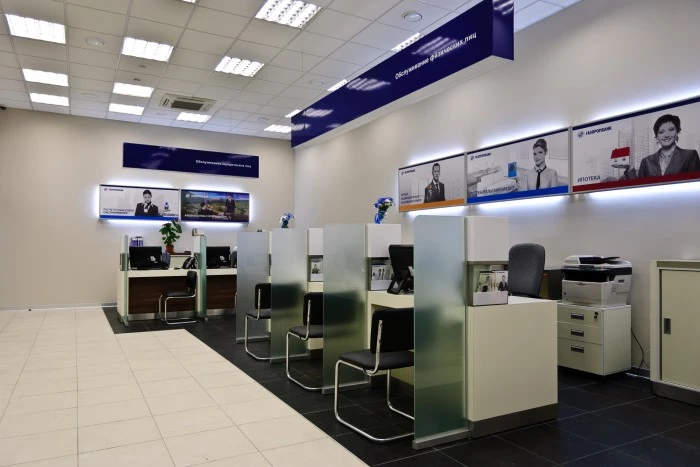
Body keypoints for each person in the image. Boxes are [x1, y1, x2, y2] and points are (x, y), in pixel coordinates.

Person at [621, 114, 700, 179]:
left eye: (671, 130)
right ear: (657, 136)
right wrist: (630, 168)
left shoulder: (690, 156)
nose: (666, 135)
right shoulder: (646, 161)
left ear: (677, 132)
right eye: (661, 132)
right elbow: (638, 187)